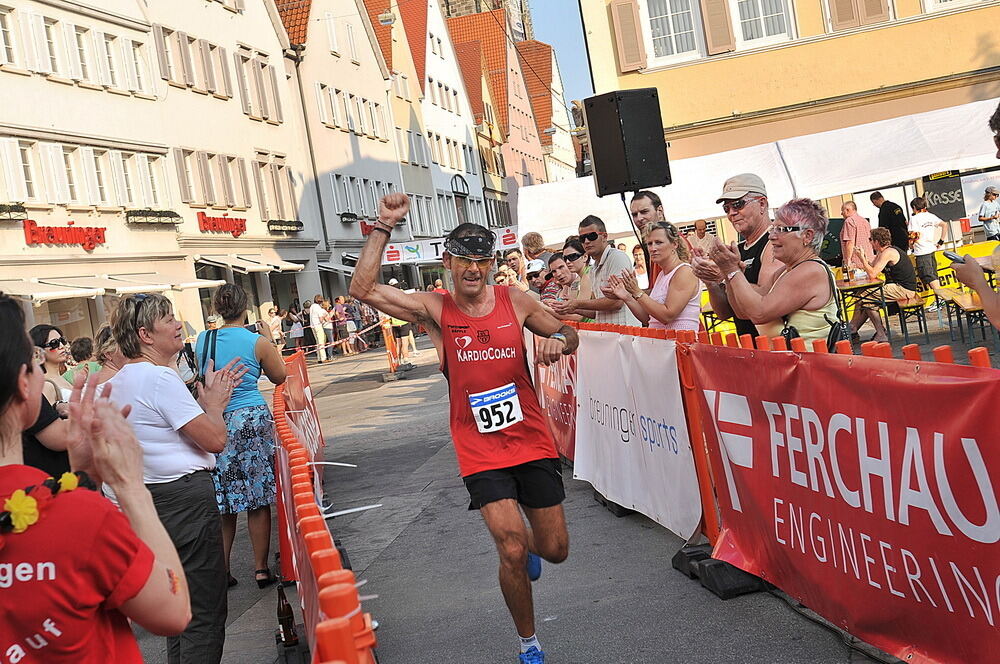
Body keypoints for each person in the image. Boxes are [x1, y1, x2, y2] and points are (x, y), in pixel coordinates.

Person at [350, 195, 577, 664]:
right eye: (464, 260)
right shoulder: (435, 309)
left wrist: (557, 342)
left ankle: (535, 550)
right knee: (511, 547)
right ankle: (529, 644)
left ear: (492, 262)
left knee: (554, 549)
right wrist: (384, 226)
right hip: (480, 447)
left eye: (481, 260)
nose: (473, 269)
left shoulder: (516, 300)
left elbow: (566, 332)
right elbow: (363, 288)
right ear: (448, 262)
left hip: (531, 438)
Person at [0, 293, 192, 663]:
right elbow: (173, 611)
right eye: (35, 360)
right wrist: (130, 487)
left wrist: (83, 477)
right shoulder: (75, 517)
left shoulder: (72, 509)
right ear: (24, 385)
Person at [107, 293, 247, 664]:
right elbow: (215, 439)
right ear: (145, 334)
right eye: (167, 318)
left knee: (179, 606)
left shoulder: (120, 381)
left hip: (149, 501)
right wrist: (215, 405)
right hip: (183, 500)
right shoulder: (158, 379)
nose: (177, 324)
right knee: (203, 609)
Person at [195, 284, 286, 590]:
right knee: (257, 497)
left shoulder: (203, 340)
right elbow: (279, 376)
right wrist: (270, 341)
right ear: (245, 306)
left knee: (225, 499)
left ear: (218, 308)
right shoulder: (256, 341)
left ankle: (223, 569)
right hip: (251, 417)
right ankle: (261, 569)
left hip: (217, 417)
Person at [706, 198, 839, 344]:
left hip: (811, 364)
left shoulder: (811, 270)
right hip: (791, 363)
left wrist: (732, 271)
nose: (772, 236)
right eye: (773, 229)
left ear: (807, 236)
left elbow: (759, 313)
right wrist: (729, 273)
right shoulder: (784, 271)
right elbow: (742, 311)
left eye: (781, 229)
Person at [690, 173, 782, 338]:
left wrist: (727, 274)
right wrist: (711, 282)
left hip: (777, 348)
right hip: (752, 346)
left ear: (762, 204)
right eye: (726, 208)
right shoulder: (737, 249)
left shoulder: (775, 242)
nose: (731, 213)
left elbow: (765, 299)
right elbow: (724, 313)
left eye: (738, 204)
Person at [603, 222, 700, 332]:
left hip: (681, 345)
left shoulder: (684, 271)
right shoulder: (662, 275)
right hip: (662, 345)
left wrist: (637, 292)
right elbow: (649, 318)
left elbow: (667, 316)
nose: (653, 248)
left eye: (658, 243)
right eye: (649, 244)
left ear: (674, 244)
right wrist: (626, 296)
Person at [551, 216, 640, 326]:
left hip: (626, 332)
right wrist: (570, 308)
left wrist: (576, 304)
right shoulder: (593, 269)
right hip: (608, 334)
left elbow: (616, 302)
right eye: (582, 239)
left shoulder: (617, 257)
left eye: (592, 236)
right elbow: (595, 313)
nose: (587, 241)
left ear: (604, 236)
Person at [851, 227, 919, 342]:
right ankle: (858, 331)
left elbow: (872, 274)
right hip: (898, 287)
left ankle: (854, 329)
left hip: (904, 289)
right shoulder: (882, 252)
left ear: (877, 241)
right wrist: (864, 259)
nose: (870, 243)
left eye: (870, 239)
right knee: (866, 299)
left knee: (864, 295)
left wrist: (862, 259)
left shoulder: (888, 252)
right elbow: (872, 267)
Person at [907, 196, 946, 301]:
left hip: (921, 251)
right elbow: (944, 225)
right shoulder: (931, 216)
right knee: (933, 274)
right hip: (931, 248)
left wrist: (910, 244)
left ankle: (941, 298)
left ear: (914, 207)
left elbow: (914, 235)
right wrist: (941, 241)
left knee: (927, 275)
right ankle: (938, 299)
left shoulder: (914, 218)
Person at [29, 325, 74, 415]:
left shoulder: (62, 378)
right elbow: (49, 423)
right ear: (38, 351)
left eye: (62, 340)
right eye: (54, 343)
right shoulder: (45, 384)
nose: (61, 346)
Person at [840, 201, 874, 273]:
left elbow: (849, 242)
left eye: (842, 210)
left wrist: (848, 261)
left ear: (847, 210)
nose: (841, 213)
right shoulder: (865, 221)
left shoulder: (849, 221)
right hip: (869, 260)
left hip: (856, 262)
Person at [309, 294, 328, 363]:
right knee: (321, 341)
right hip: (318, 325)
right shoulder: (318, 308)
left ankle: (319, 358)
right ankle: (323, 358)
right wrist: (324, 316)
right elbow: (320, 319)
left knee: (317, 342)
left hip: (313, 326)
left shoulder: (312, 306)